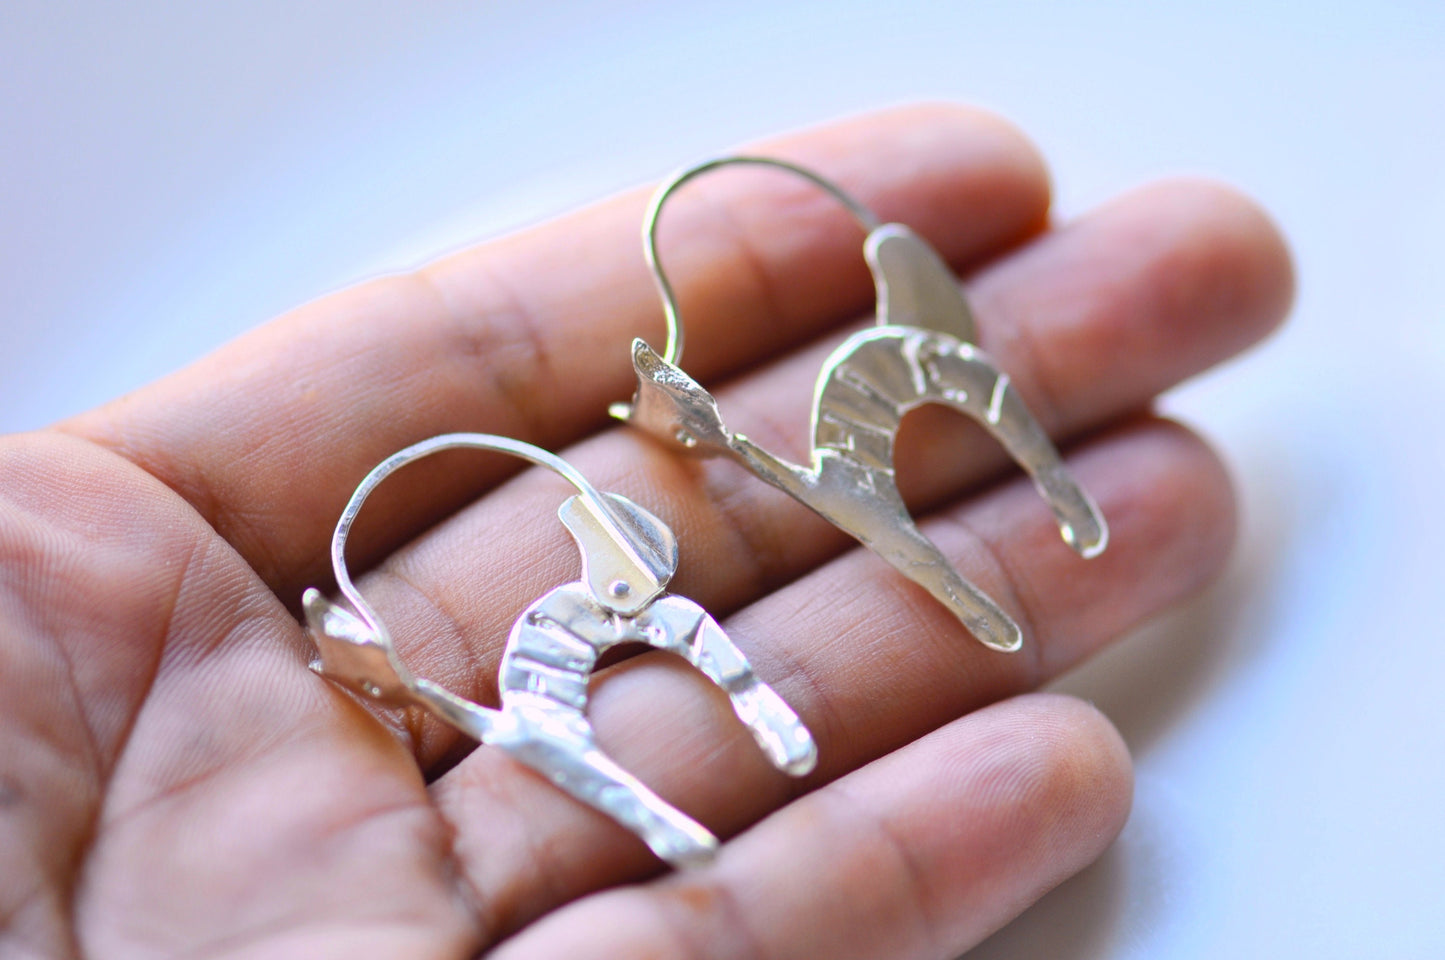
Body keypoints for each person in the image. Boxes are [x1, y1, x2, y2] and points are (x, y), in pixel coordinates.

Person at [0, 104, 1293, 958]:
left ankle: (1002, 522)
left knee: (723, 612)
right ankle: (686, 754)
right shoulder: (558, 626)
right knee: (571, 706)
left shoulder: (671, 566)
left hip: (778, 468)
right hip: (545, 651)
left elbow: (676, 606)